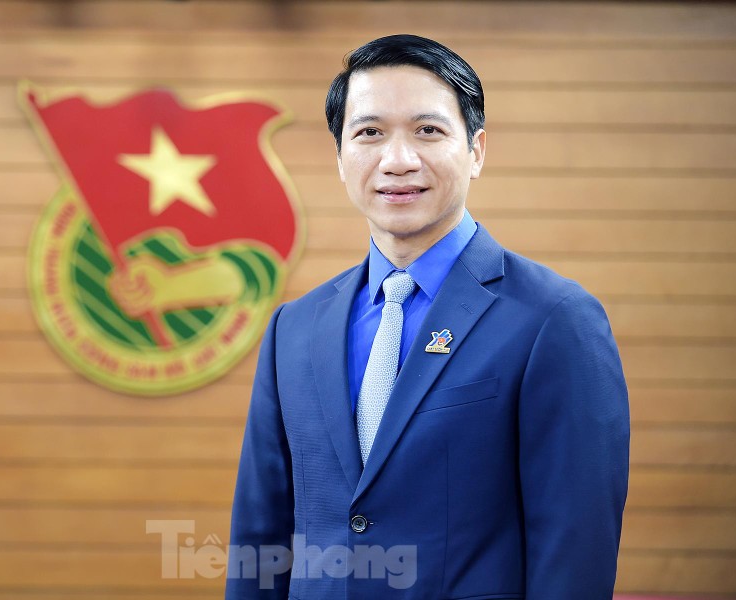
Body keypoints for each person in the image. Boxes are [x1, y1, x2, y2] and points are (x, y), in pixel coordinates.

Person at [227, 34, 630, 599]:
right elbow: (260, 537)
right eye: (369, 133)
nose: (398, 160)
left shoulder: (555, 320)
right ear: (339, 157)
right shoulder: (292, 329)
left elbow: (574, 549)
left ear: (477, 150)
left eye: (428, 130)